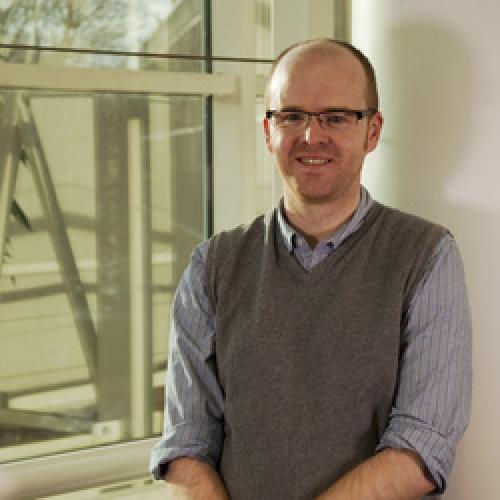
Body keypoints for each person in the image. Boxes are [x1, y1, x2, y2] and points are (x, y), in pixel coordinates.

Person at [150, 38, 472, 500]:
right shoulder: (211, 267)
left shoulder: (427, 256)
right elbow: (186, 447)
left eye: (336, 117)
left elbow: (421, 450)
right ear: (268, 131)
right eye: (292, 116)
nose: (310, 136)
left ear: (373, 131)